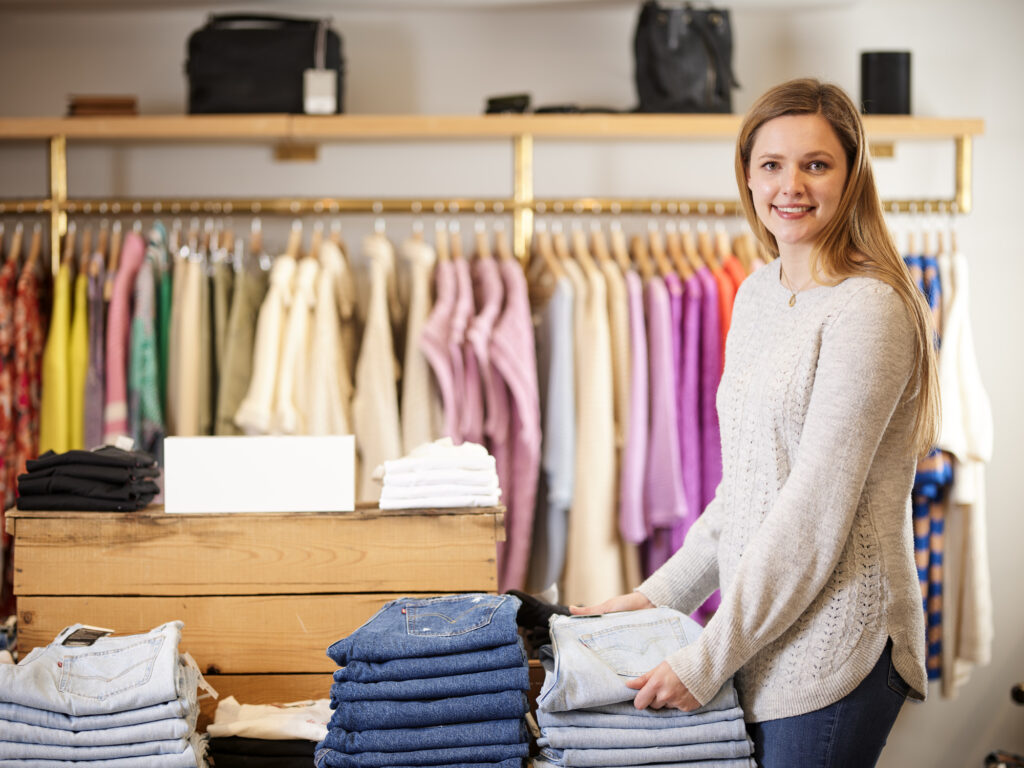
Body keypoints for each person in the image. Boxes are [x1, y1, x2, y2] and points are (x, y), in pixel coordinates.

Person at [572, 77, 940, 768]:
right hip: (761, 636)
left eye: (816, 164)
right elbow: (742, 492)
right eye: (771, 164)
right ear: (746, 176)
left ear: (852, 176)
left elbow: (812, 510)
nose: (790, 185)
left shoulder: (871, 310)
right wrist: (652, 599)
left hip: (838, 645)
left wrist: (707, 656)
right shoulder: (757, 294)